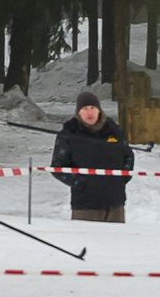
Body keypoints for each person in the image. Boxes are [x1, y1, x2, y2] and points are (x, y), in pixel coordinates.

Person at [50, 90, 134, 224]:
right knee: (86, 244)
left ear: (99, 110)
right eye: (85, 109)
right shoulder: (69, 134)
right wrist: (80, 182)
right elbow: (57, 168)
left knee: (116, 244)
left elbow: (128, 156)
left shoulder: (114, 131)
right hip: (85, 206)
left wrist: (122, 179)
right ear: (78, 112)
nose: (89, 112)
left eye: (93, 108)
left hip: (115, 206)